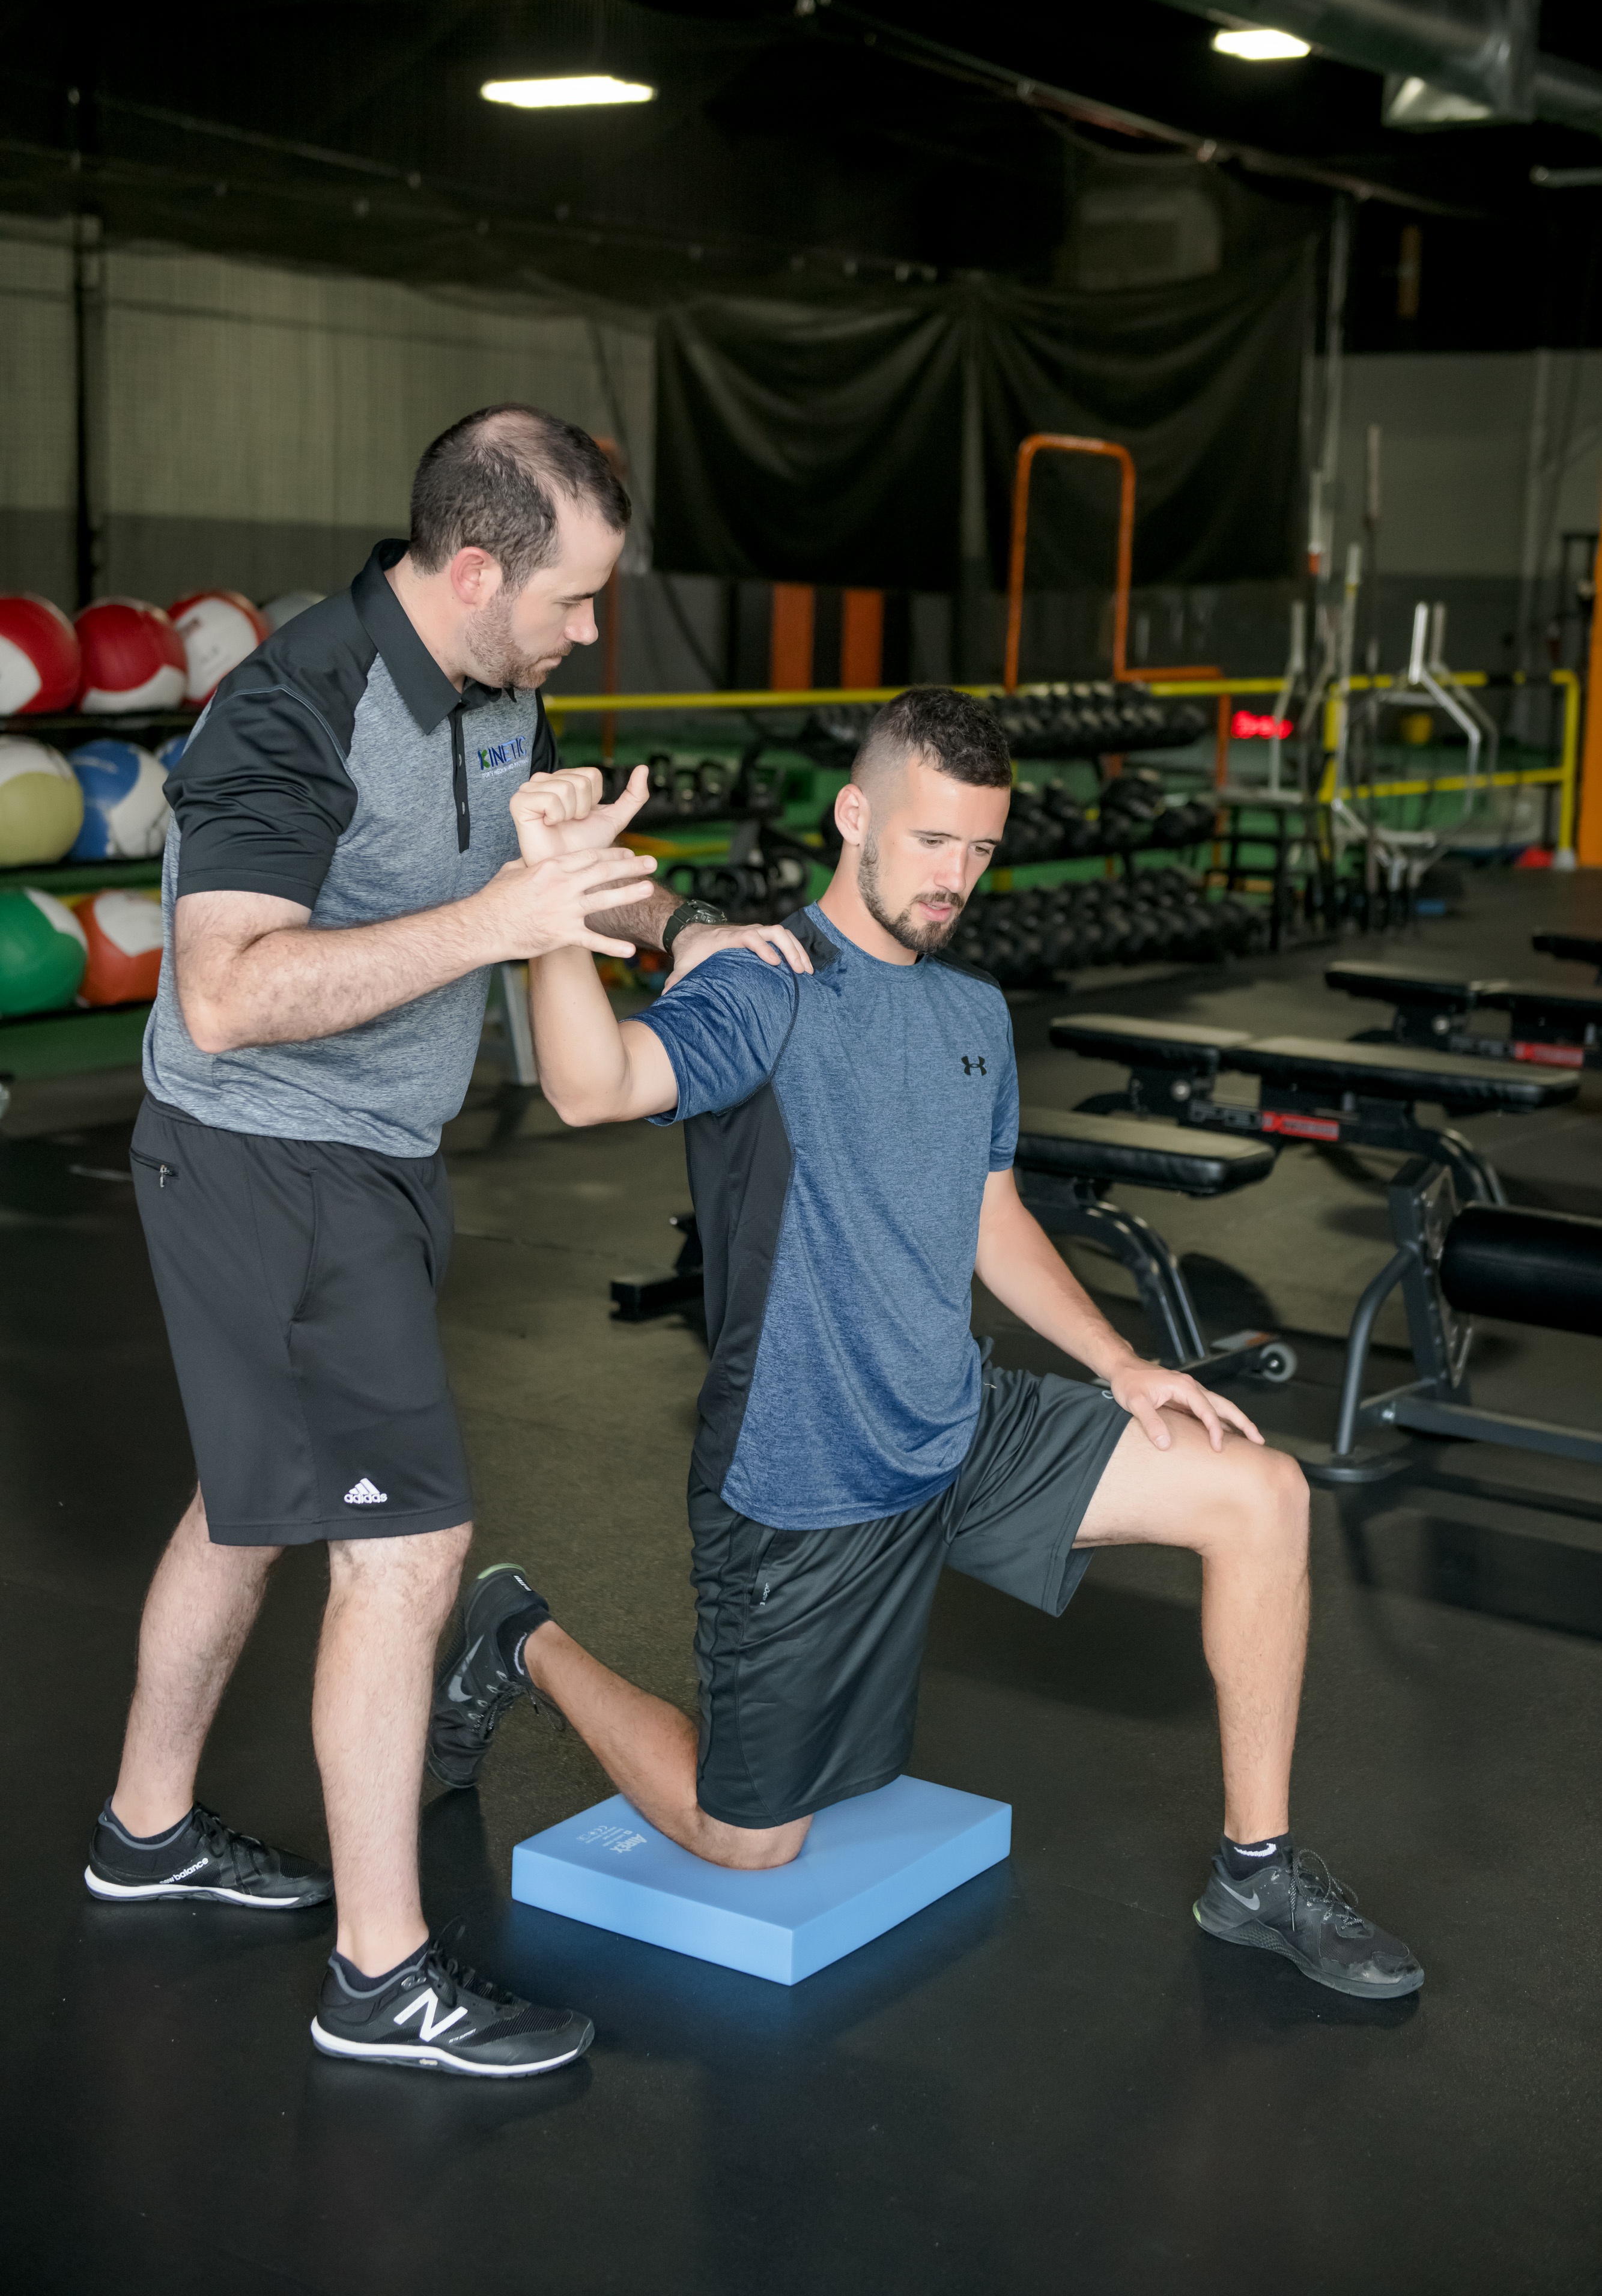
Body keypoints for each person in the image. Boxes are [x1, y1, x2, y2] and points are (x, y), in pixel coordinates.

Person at [431, 685, 1423, 2002]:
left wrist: (1116, 1361)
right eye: (927, 841)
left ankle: (1255, 1868)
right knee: (748, 1838)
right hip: (802, 1476)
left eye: (978, 850)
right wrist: (554, 914)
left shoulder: (966, 1015)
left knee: (1259, 1491)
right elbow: (590, 1083)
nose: (953, 877)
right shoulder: (762, 982)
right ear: (854, 817)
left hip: (953, 1423)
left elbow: (987, 1212)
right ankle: (518, 1631)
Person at [90, 403, 805, 2080]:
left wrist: (684, 929)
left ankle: (145, 1829)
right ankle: (381, 1975)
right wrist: (496, 923)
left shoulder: (493, 683)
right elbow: (227, 989)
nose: (584, 632)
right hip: (272, 1165)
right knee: (410, 1545)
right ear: (477, 568)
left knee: (248, 1508)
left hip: (372, 1161)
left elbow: (535, 872)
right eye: (570, 600)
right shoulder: (289, 711)